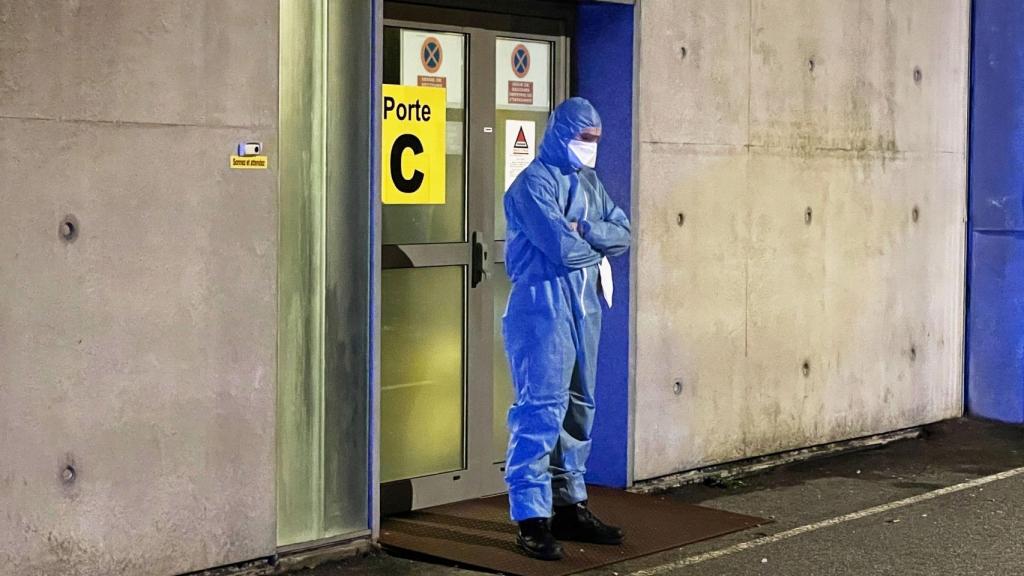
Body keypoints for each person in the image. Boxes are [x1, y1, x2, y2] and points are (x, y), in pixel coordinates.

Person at [501, 97, 632, 561]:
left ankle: (569, 504)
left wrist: (586, 229)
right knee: (540, 411)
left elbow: (626, 233)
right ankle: (530, 517)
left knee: (579, 406)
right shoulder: (530, 187)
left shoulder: (589, 184)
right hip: (541, 308)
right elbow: (562, 249)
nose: (590, 147)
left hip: (582, 306)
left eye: (595, 139)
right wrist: (593, 238)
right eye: (584, 138)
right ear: (559, 133)